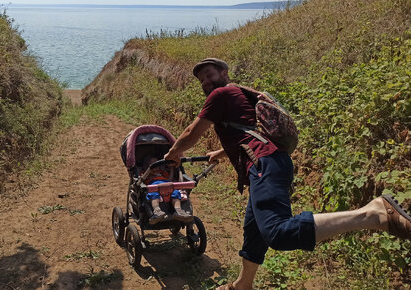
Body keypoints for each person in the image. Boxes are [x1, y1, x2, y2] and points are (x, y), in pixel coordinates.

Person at [163, 58, 411, 290]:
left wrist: (173, 153)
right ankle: (242, 285)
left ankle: (373, 213)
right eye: (202, 80)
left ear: (224, 74)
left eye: (209, 75)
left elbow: (191, 132)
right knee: (255, 232)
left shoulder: (221, 94)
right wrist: (222, 152)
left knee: (277, 233)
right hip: (272, 161)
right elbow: (250, 132)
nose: (206, 82)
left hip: (264, 165)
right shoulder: (240, 94)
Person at [141, 155, 193, 224]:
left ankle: (178, 210)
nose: (156, 166)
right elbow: (142, 180)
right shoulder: (146, 174)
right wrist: (147, 172)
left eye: (157, 164)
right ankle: (157, 210)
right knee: (153, 195)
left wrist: (172, 169)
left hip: (168, 186)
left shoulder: (162, 172)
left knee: (176, 193)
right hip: (154, 187)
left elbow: (170, 179)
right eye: (153, 165)